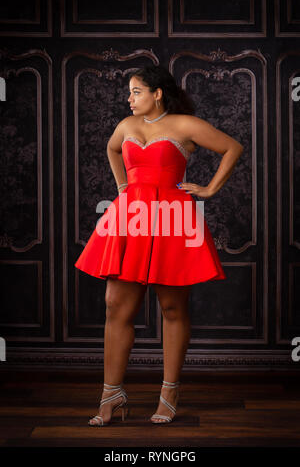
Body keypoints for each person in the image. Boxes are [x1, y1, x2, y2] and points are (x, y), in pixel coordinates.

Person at [75, 65, 243, 426]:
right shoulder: (127, 126)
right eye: (129, 92)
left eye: (136, 91)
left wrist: (210, 189)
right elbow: (112, 149)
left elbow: (232, 147)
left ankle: (169, 391)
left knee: (170, 306)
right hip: (130, 219)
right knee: (115, 305)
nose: (129, 98)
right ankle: (112, 394)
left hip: (172, 218)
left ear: (157, 94)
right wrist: (123, 188)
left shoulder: (184, 125)